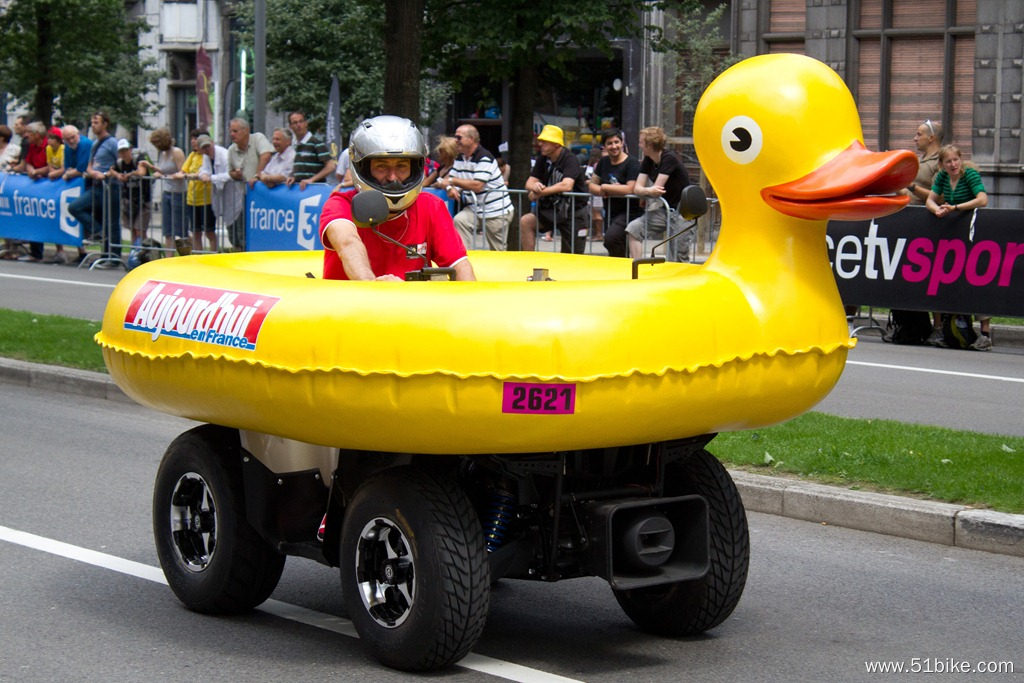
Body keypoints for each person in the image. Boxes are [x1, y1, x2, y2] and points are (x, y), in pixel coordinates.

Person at [319, 114, 474, 282]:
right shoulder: (340, 204)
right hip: (354, 306)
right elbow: (348, 243)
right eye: (381, 166)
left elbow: (458, 264)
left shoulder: (431, 206)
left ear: (415, 168)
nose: (393, 177)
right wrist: (372, 285)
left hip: (411, 307)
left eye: (402, 166)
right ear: (362, 168)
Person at [925, 144, 992, 350]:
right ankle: (950, 330)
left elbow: (982, 200)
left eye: (956, 160)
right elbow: (930, 199)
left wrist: (955, 208)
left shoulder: (969, 175)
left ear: (960, 160)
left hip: (973, 234)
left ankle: (985, 333)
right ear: (942, 164)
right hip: (953, 236)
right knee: (947, 280)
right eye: (948, 161)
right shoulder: (943, 178)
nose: (953, 164)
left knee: (976, 280)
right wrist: (938, 210)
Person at [519, 124, 588, 254]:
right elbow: (529, 181)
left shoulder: (570, 159)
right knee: (526, 221)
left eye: (545, 142)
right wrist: (534, 187)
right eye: (541, 141)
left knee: (572, 255)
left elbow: (567, 185)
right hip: (552, 210)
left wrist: (539, 193)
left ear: (556, 144)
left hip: (574, 212)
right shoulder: (543, 158)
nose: (540, 144)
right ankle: (528, 261)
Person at [626, 126, 690, 260]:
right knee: (634, 229)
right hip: (665, 210)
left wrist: (645, 191)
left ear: (649, 145)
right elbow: (638, 188)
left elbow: (657, 189)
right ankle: (636, 266)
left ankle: (680, 278)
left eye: (641, 142)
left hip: (682, 212)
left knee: (678, 253)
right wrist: (647, 191)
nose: (639, 145)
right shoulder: (648, 160)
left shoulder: (669, 158)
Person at [447, 124, 514, 251]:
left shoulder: (485, 158)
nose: (455, 140)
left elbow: (477, 185)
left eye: (459, 137)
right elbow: (449, 181)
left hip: (496, 211)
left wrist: (452, 182)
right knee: (460, 220)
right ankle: (463, 259)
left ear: (471, 139)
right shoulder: (459, 158)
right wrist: (450, 188)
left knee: (497, 250)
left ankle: (499, 269)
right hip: (475, 208)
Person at [69, 111, 121, 264]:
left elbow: (120, 162)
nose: (93, 125)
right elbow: (89, 165)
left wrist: (108, 173)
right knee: (75, 207)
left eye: (96, 122)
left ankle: (113, 256)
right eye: (92, 122)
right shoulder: (95, 143)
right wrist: (92, 172)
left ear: (105, 124)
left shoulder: (112, 142)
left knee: (111, 222)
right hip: (97, 185)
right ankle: (98, 232)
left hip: (110, 185)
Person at [588, 129, 640, 257]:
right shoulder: (603, 162)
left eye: (617, 142)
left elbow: (630, 188)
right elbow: (592, 184)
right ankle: (622, 270)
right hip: (611, 211)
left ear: (622, 143)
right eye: (609, 143)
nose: (614, 146)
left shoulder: (632, 163)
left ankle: (624, 267)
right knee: (616, 243)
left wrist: (606, 187)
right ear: (604, 146)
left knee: (611, 238)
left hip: (629, 212)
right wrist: (601, 190)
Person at [226, 118, 271, 248]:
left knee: (258, 232)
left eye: (235, 131)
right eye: (231, 131)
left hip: (262, 196)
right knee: (240, 233)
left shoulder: (258, 138)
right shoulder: (231, 150)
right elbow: (230, 172)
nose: (232, 134)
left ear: (246, 131)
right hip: (242, 197)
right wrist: (236, 174)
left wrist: (257, 175)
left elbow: (266, 155)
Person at [141, 128, 188, 251]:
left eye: (157, 143)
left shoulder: (177, 152)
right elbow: (164, 170)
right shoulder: (163, 154)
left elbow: (181, 173)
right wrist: (152, 167)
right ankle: (169, 256)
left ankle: (187, 255)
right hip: (166, 192)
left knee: (180, 229)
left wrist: (164, 176)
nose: (156, 146)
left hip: (178, 193)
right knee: (168, 230)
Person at [197, 134, 244, 248]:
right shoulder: (206, 157)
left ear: (212, 143)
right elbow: (204, 169)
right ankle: (236, 250)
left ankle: (240, 251)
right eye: (204, 148)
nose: (207, 150)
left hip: (234, 196)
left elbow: (230, 174)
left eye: (208, 146)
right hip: (223, 198)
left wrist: (212, 178)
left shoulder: (224, 155)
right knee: (231, 231)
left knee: (239, 232)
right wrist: (202, 174)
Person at [109, 139, 152, 244]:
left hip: (143, 200)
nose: (124, 153)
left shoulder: (138, 159)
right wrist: (118, 175)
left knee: (140, 230)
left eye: (126, 150)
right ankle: (135, 254)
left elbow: (142, 172)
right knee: (132, 230)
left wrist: (129, 175)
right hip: (129, 201)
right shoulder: (120, 163)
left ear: (130, 149)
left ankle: (144, 253)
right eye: (121, 151)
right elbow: (111, 169)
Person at [182, 129, 217, 252]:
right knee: (196, 232)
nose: (193, 141)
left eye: (195, 138)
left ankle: (213, 256)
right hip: (192, 199)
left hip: (206, 199)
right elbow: (184, 171)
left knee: (209, 231)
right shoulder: (192, 155)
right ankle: (198, 257)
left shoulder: (207, 156)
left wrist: (190, 176)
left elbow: (203, 173)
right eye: (192, 138)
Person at [287, 110, 336, 189]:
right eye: (295, 123)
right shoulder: (294, 145)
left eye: (301, 121)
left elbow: (331, 166)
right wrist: (293, 176)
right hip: (300, 190)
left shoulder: (316, 143)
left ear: (306, 123)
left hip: (315, 190)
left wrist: (312, 180)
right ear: (290, 126)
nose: (299, 125)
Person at [905, 119, 942, 205]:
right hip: (907, 212)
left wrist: (911, 186)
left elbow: (939, 198)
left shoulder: (942, 162)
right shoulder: (916, 161)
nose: (915, 139)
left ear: (931, 138)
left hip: (926, 215)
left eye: (919, 135)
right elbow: (906, 193)